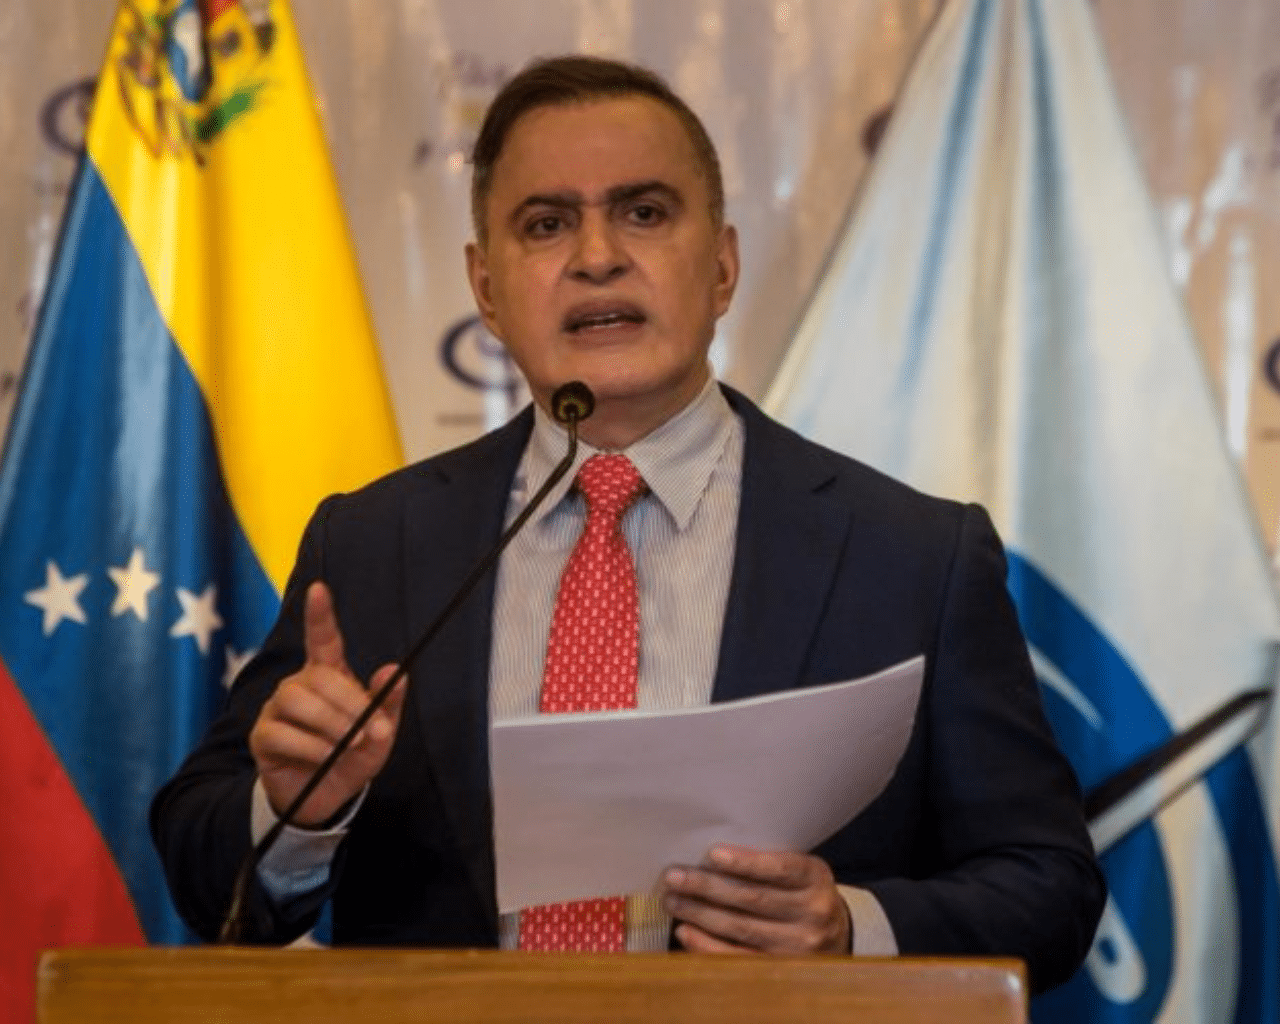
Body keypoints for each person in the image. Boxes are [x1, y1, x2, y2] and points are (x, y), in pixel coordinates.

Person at [151, 55, 1104, 992]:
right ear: (486, 288)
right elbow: (203, 867)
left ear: (721, 267)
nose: (598, 256)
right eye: (546, 223)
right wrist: (297, 815)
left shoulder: (911, 557)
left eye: (644, 212)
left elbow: (1048, 886)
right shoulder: (372, 544)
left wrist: (848, 929)